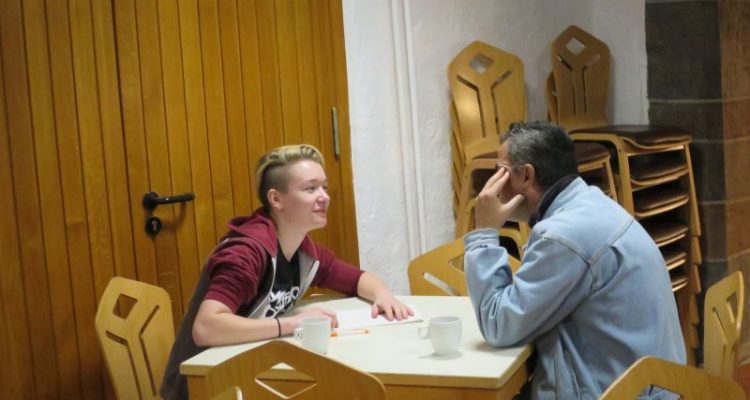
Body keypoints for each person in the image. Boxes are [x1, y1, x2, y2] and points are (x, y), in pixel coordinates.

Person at [161, 144, 412, 400]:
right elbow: (206, 327)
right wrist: (292, 324)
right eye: (310, 188)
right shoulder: (245, 253)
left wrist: (383, 294)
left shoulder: (303, 248)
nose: (324, 197)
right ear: (276, 199)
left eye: (324, 187)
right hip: (206, 387)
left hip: (254, 373)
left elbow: (357, 279)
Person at [464, 121, 685, 399]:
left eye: (501, 171)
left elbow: (498, 325)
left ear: (527, 175)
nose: (494, 184)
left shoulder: (562, 236)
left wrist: (484, 232)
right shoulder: (591, 204)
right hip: (655, 387)